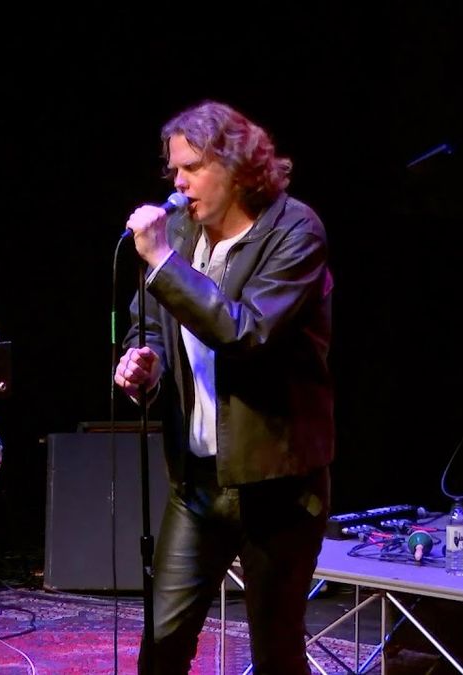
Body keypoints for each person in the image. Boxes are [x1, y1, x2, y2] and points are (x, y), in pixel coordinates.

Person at [115, 101, 334, 674]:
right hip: (196, 482)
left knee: (276, 653)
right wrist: (145, 364)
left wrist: (162, 260)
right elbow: (148, 324)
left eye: (191, 168)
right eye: (174, 170)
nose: (178, 183)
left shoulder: (294, 231)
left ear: (237, 167)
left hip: (277, 485)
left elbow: (247, 332)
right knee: (161, 646)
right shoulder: (181, 234)